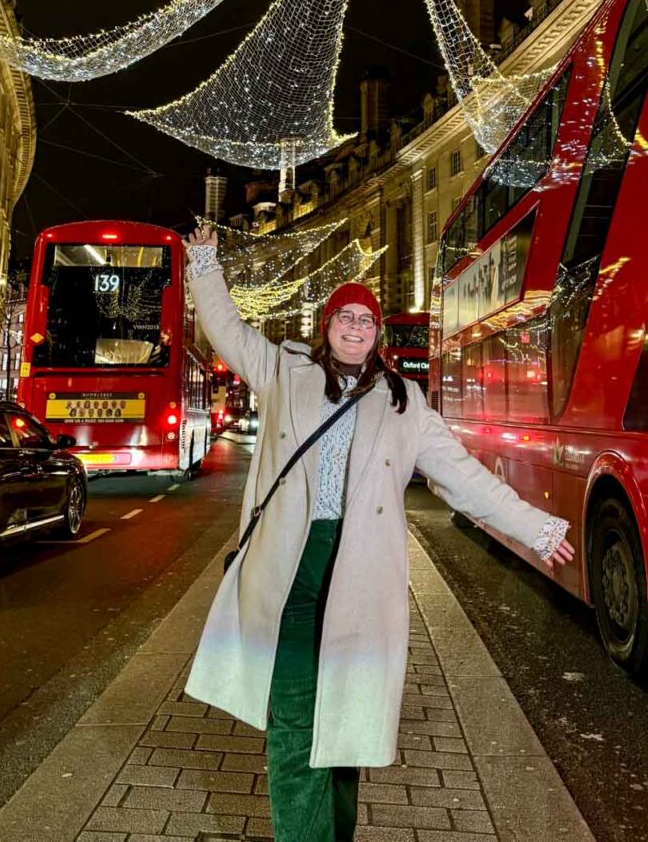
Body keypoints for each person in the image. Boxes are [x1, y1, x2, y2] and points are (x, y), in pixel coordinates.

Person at [183, 225, 574, 842]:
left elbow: (463, 479)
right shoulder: (284, 371)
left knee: (342, 732)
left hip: (361, 581)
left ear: (379, 335)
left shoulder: (404, 401)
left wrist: (538, 527)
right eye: (346, 317)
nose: (357, 327)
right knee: (294, 726)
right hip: (290, 573)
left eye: (368, 320)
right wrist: (204, 261)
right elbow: (226, 327)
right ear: (328, 324)